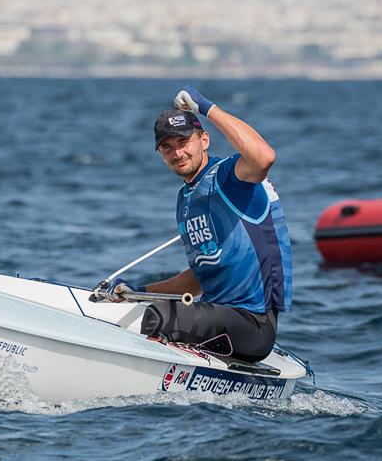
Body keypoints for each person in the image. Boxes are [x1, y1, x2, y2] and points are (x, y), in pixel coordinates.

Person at [109, 85, 292, 363]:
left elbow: (264, 157)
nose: (177, 153)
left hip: (253, 325)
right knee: (151, 309)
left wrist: (207, 108)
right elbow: (197, 278)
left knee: (160, 317)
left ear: (204, 140)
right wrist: (139, 292)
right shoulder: (185, 199)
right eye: (167, 147)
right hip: (217, 318)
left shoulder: (231, 179)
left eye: (183, 142)